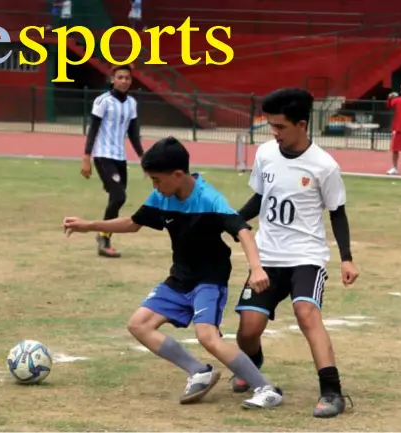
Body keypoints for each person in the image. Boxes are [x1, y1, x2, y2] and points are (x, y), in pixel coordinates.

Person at [64, 137, 283, 409]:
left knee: (207, 336)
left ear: (178, 175)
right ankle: (199, 371)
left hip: (209, 279)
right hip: (180, 278)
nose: (155, 187)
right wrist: (89, 225)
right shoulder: (162, 196)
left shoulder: (209, 199)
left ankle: (266, 388)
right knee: (139, 324)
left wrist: (257, 268)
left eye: (157, 180)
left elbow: (243, 231)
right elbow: (134, 223)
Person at [230, 88, 359, 418]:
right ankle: (252, 365)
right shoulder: (265, 154)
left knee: (306, 313)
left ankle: (331, 391)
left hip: (306, 257)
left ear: (301, 124)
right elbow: (260, 199)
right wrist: (231, 221)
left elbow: (337, 212)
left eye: (279, 127)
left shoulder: (324, 166)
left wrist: (346, 257)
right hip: (267, 258)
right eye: (271, 126)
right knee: (248, 329)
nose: (274, 133)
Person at [81, 64, 144, 258]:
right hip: (103, 155)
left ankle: (104, 238)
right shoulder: (103, 101)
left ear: (130, 81)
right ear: (112, 80)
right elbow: (93, 130)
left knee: (116, 199)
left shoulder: (132, 103)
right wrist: (86, 158)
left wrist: (144, 158)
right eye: (120, 77)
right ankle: (103, 237)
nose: (124, 81)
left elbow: (133, 133)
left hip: (120, 157)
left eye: (127, 78)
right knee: (119, 196)